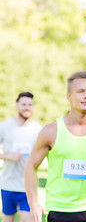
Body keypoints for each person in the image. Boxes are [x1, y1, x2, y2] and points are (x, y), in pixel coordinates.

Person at [24, 71, 86, 222]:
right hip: (58, 210)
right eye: (81, 91)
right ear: (68, 96)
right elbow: (30, 166)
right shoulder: (51, 131)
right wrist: (33, 202)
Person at [0, 92, 42, 222]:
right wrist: (8, 156)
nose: (27, 107)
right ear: (16, 106)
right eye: (23, 104)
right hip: (8, 185)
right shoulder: (5, 126)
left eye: (30, 105)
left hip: (28, 186)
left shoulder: (38, 129)